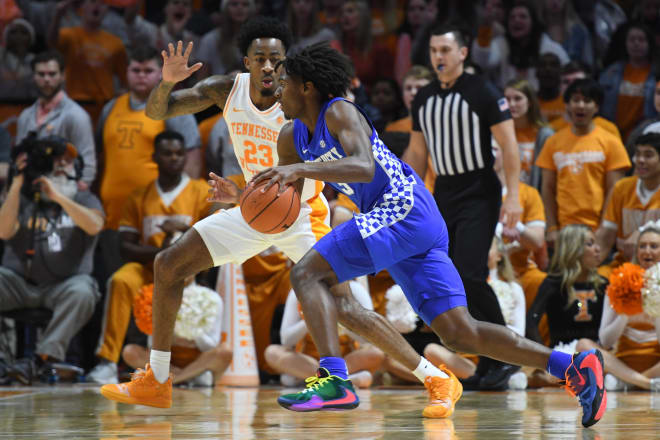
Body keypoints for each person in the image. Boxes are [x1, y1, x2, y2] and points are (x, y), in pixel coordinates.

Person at [98, 17, 470, 419]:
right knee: (168, 263)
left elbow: (322, 163)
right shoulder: (227, 89)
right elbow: (158, 112)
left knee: (345, 309)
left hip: (302, 213)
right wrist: (167, 81)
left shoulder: (300, 105)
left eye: (276, 59)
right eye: (260, 59)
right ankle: (157, 379)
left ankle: (435, 377)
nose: (269, 67)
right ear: (247, 62)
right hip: (255, 209)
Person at [256, 42, 606, 427]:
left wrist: (300, 170)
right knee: (460, 333)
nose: (276, 90)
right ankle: (573, 366)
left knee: (306, 273)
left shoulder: (338, 111)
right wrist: (243, 199)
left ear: (307, 86)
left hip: (401, 209)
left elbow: (362, 166)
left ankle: (334, 379)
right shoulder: (290, 137)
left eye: (284, 82)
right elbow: (290, 194)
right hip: (406, 222)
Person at [402, 22, 523, 389]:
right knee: (453, 279)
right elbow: (418, 153)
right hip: (445, 192)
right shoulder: (423, 98)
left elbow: (510, 144)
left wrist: (514, 194)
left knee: (470, 274)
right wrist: (407, 198)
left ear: (463, 54)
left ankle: (507, 355)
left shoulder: (483, 91)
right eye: (434, 50)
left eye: (445, 50)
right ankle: (490, 361)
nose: (438, 56)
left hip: (479, 189)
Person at [87, 130, 213, 384]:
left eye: (179, 153)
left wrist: (179, 239)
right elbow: (125, 247)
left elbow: (209, 241)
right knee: (121, 280)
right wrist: (165, 254)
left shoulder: (200, 191)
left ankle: (195, 366)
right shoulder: (139, 196)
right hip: (148, 269)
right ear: (154, 157)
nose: (174, 159)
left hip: (187, 272)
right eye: (167, 153)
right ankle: (107, 361)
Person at [0, 136, 103, 385]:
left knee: (85, 291)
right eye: (54, 160)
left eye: (66, 161)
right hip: (19, 283)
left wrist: (58, 197)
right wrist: (16, 184)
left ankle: (40, 360)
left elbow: (95, 225)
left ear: (76, 169)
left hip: (64, 286)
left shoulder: (84, 198)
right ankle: (3, 362)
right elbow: (3, 231)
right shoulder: (22, 197)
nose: (60, 165)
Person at [97, 45, 202, 232]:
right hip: (112, 211)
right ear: (126, 72)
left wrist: (183, 204)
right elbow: (101, 158)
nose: (141, 76)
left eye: (148, 71)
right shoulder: (111, 108)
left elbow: (191, 159)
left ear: (161, 74)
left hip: (159, 214)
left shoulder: (174, 107)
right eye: (135, 70)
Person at [536, 79, 631, 247]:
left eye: (587, 101)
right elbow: (547, 188)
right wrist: (551, 228)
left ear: (597, 107)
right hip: (563, 231)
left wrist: (604, 228)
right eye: (575, 100)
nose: (581, 105)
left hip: (598, 230)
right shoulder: (553, 142)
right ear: (567, 105)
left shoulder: (611, 142)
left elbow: (614, 190)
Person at [577, 225, 660, 392]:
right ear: (636, 251)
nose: (647, 251)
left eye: (654, 246)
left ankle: (627, 383)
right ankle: (645, 383)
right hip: (620, 363)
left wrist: (656, 304)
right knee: (584, 345)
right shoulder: (619, 281)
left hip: (656, 364)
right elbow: (606, 341)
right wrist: (626, 311)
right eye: (642, 246)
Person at [265, 281, 384, 388]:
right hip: (308, 361)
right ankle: (341, 381)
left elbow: (368, 339)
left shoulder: (355, 289)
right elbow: (286, 340)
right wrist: (310, 319)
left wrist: (343, 322)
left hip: (346, 360)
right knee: (272, 352)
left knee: (377, 352)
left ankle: (315, 380)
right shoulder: (298, 291)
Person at [15, 51, 97, 190]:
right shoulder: (26, 116)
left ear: (63, 76)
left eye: (52, 74)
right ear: (34, 77)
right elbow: (18, 158)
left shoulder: (76, 115)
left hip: (65, 192)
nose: (47, 79)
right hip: (30, 191)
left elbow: (88, 167)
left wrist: (72, 195)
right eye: (41, 74)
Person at [48, 0, 128, 110]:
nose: (97, 6)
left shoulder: (116, 43)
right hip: (74, 102)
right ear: (82, 7)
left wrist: (121, 97)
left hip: (105, 103)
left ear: (107, 10)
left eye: (102, 3)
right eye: (92, 1)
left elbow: (125, 80)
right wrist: (58, 15)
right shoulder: (69, 35)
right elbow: (52, 42)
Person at [597, 130, 660, 268]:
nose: (641, 160)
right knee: (598, 280)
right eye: (637, 154)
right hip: (624, 265)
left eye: (648, 155)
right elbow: (606, 235)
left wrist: (641, 233)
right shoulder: (622, 188)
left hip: (657, 266)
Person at [598, 22, 658, 140]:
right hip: (612, 133)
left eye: (641, 40)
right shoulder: (611, 72)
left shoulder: (657, 74)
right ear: (625, 43)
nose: (636, 44)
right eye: (632, 40)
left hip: (645, 136)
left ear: (649, 43)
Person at [502, 79, 554, 189]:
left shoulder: (545, 135)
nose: (511, 104)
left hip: (534, 199)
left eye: (518, 98)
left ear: (530, 102)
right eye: (507, 99)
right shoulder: (499, 132)